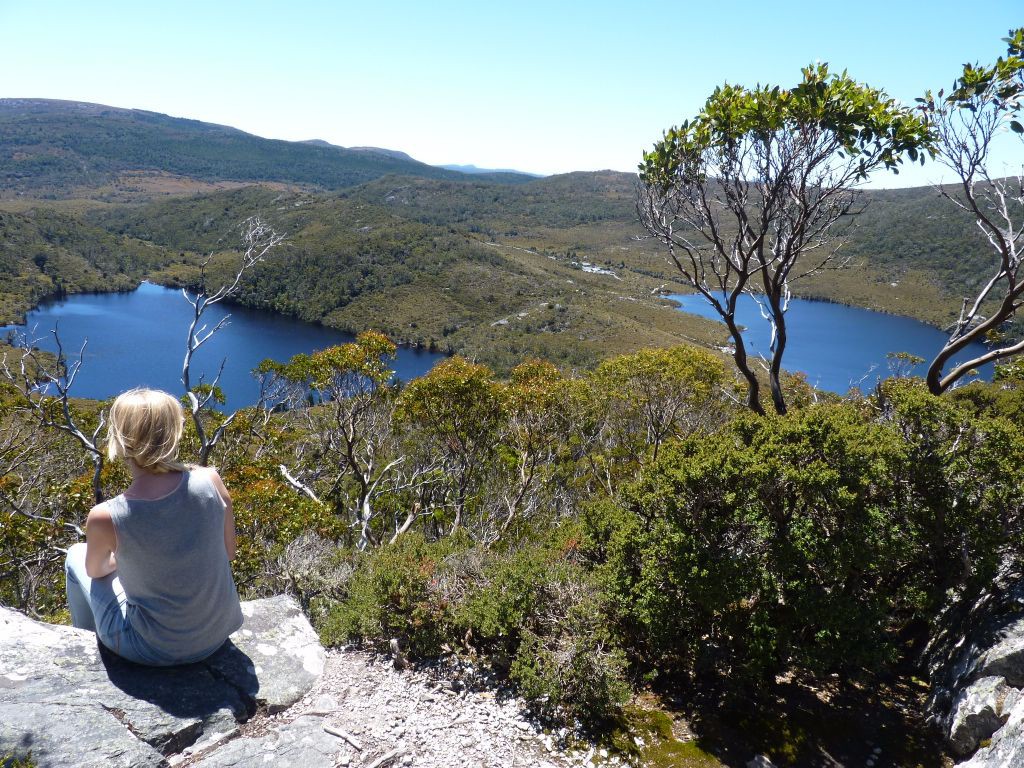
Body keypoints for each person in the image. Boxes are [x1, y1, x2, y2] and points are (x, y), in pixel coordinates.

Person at [64, 388, 243, 666]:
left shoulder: (106, 516)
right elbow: (229, 552)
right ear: (175, 432)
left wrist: (126, 559)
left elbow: (95, 571)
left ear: (120, 439)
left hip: (153, 649)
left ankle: (86, 645)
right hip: (218, 634)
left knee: (76, 555)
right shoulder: (211, 480)